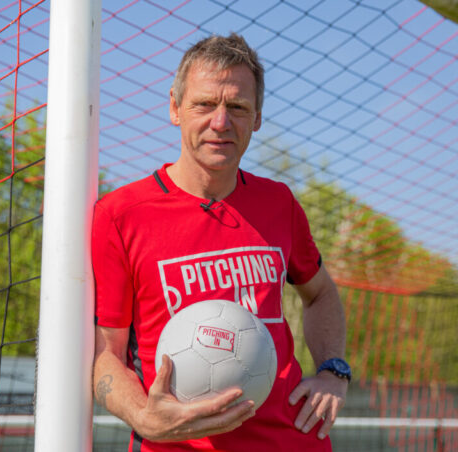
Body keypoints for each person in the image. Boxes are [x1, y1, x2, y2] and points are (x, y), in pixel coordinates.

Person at [92, 33, 350, 451]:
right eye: (204, 104)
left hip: (291, 440)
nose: (220, 122)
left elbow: (320, 294)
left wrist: (333, 371)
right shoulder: (120, 214)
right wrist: (145, 418)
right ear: (175, 108)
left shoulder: (279, 203)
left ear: (257, 118)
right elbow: (105, 351)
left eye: (237, 107)